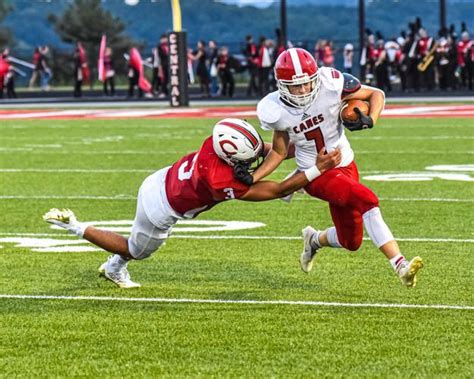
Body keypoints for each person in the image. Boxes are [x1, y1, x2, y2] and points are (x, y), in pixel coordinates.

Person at [43, 118, 341, 288]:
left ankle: (113, 267)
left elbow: (266, 151)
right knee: (135, 249)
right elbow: (275, 190)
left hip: (158, 180)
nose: (251, 159)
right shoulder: (219, 181)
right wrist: (317, 169)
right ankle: (76, 227)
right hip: (161, 209)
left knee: (135, 246)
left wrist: (309, 144)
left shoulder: (215, 146)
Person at [249, 48, 423, 288]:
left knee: (351, 240)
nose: (302, 91)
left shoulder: (331, 83)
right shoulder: (276, 109)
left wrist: (371, 118)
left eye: (307, 84)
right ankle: (400, 265)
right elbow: (280, 151)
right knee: (367, 199)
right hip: (315, 173)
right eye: (295, 86)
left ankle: (314, 240)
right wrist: (254, 176)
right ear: (281, 85)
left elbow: (376, 94)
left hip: (346, 163)